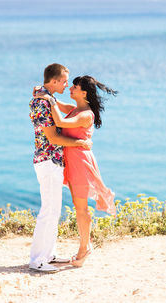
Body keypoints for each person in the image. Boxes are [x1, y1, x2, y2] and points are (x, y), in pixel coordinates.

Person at [36, 75, 117, 267]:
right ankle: (85, 245)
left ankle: (84, 248)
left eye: (74, 86)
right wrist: (45, 92)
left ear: (83, 93)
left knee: (81, 209)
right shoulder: (76, 110)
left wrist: (47, 98)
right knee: (78, 205)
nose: (70, 88)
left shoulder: (85, 114)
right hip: (72, 163)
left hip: (80, 163)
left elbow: (60, 122)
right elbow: (60, 105)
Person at [29, 64, 92, 272]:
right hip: (47, 160)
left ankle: (48, 255)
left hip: (53, 161)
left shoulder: (47, 97)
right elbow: (53, 136)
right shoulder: (42, 102)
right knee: (48, 210)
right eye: (65, 81)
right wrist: (80, 144)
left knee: (53, 210)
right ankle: (39, 260)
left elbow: (62, 109)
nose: (67, 84)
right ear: (54, 81)